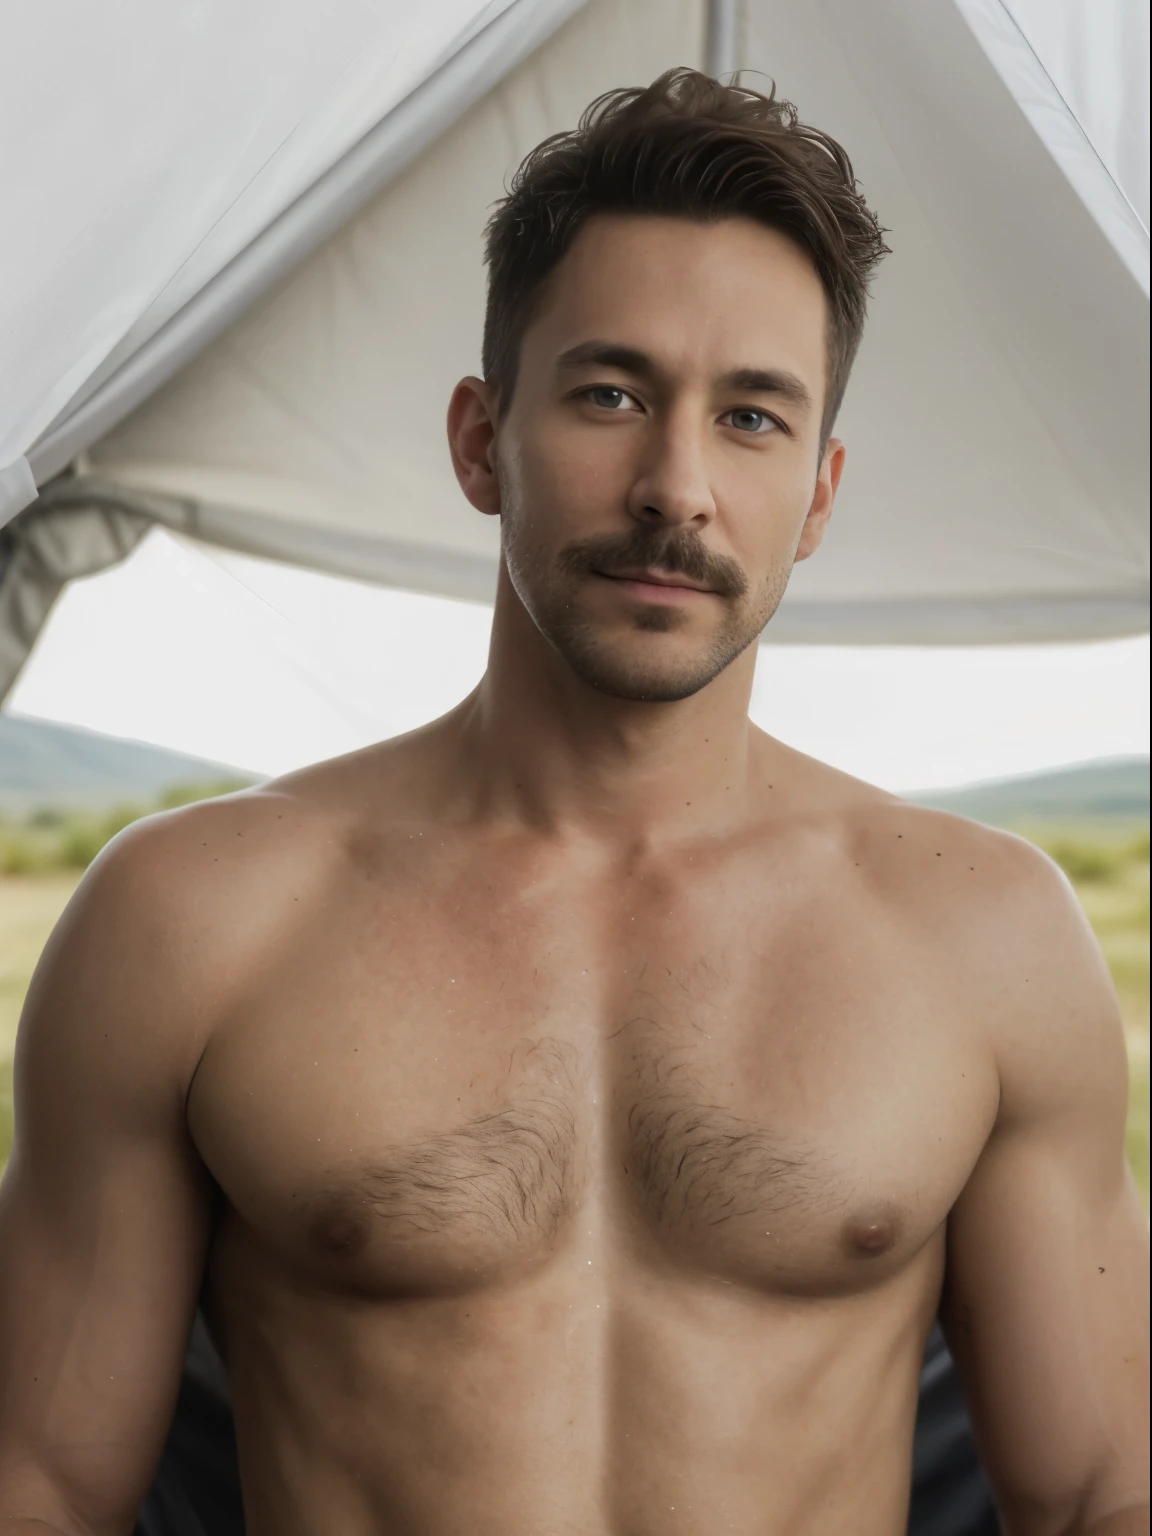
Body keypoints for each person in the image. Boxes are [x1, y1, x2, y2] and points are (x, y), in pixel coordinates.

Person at [0, 69, 1146, 1536]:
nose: (677, 485)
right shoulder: (191, 921)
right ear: (483, 439)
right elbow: (41, 1489)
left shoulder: (985, 939)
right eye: (612, 394)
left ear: (823, 489)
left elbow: (1106, 1492)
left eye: (750, 417)